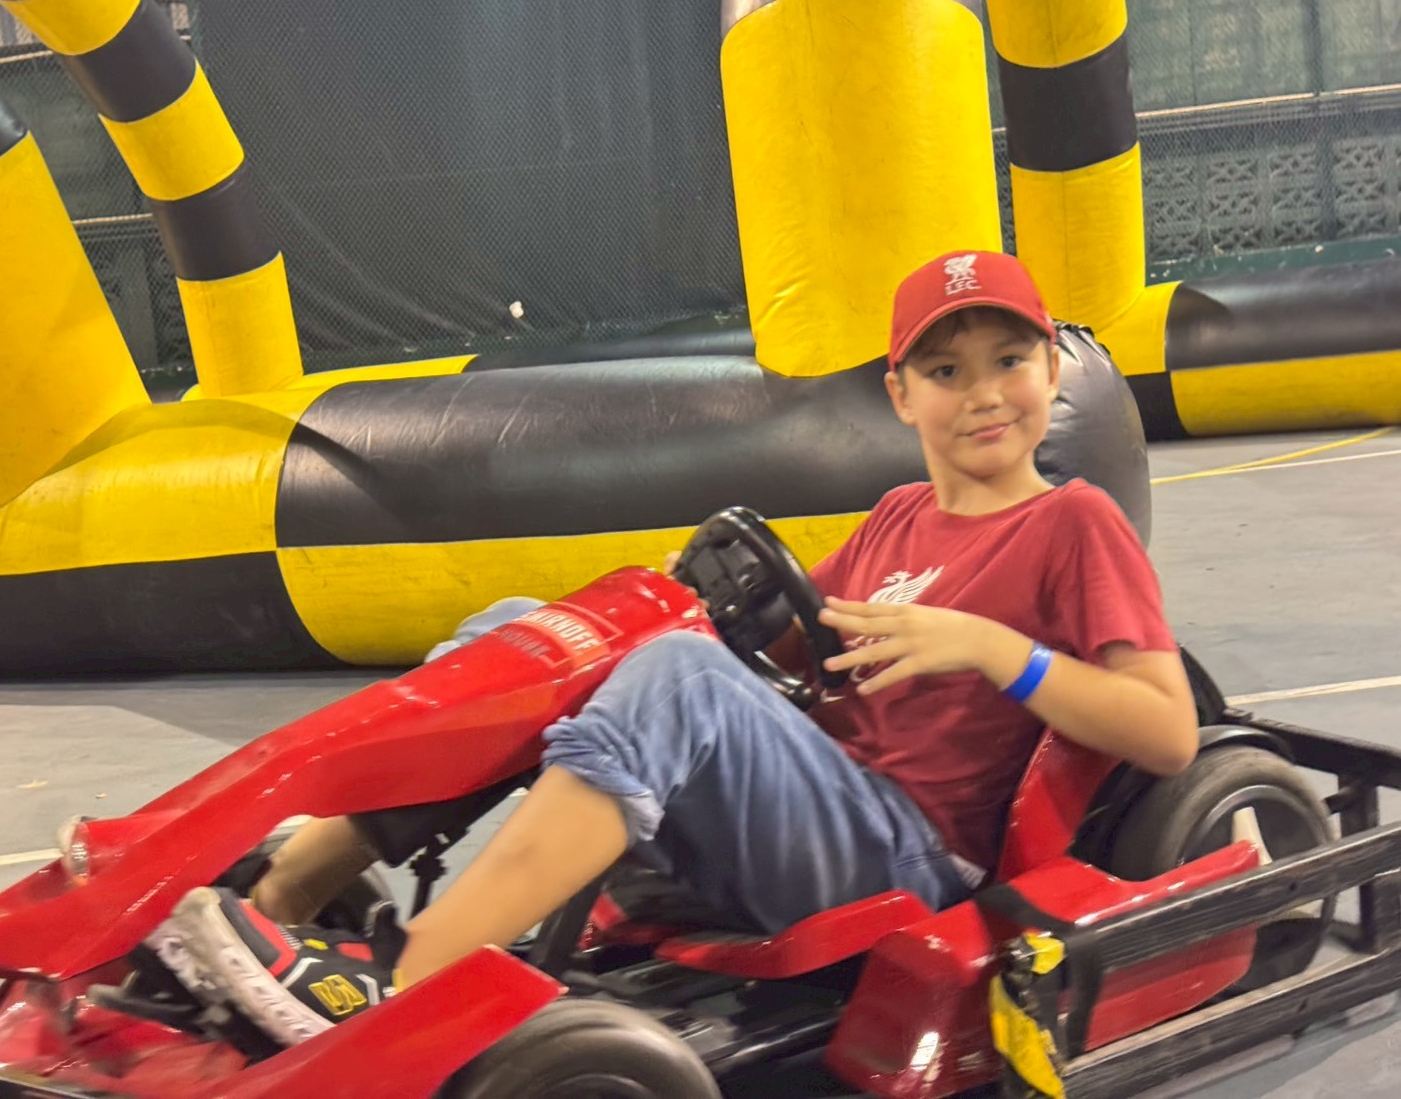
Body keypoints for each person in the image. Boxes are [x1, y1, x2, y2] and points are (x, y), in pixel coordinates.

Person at [150, 250, 1198, 1046]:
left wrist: (994, 649)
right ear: (900, 392)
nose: (983, 394)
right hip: (807, 814)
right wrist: (676, 607)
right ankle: (288, 890)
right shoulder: (897, 515)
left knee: (676, 678)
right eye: (946, 369)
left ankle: (406, 984)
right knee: (530, 632)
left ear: (1051, 366)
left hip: (908, 858)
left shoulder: (1071, 523)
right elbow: (793, 641)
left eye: (1009, 361)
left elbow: (1166, 731)